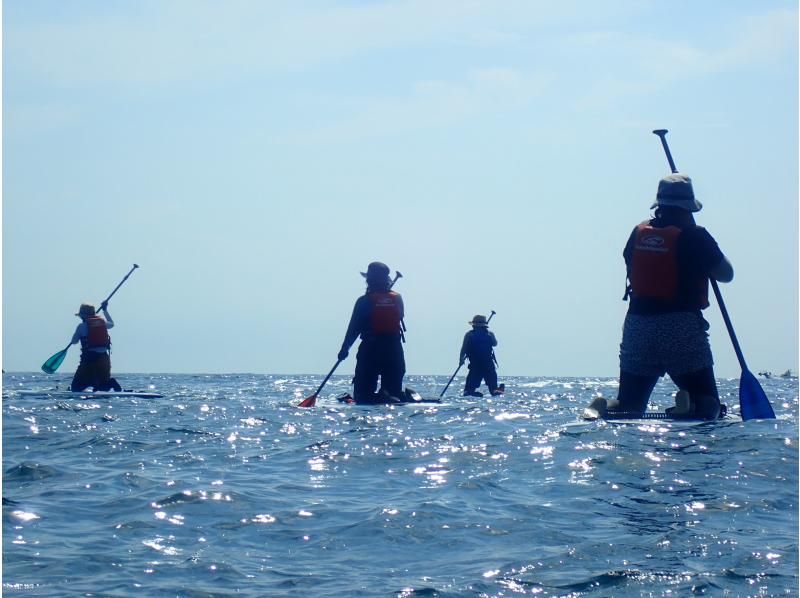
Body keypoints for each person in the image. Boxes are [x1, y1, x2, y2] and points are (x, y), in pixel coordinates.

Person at [605, 173, 733, 420]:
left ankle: (610, 406)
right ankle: (693, 404)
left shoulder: (638, 232)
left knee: (630, 403)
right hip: (680, 326)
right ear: (688, 206)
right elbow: (726, 274)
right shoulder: (695, 235)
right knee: (708, 401)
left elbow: (629, 261)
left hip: (638, 327)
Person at [338, 262, 406, 404]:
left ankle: (376, 397)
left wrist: (345, 349)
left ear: (369, 281)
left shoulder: (364, 301)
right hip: (394, 350)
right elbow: (400, 316)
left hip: (371, 350)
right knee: (394, 394)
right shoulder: (397, 298)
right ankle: (387, 396)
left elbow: (353, 328)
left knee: (362, 397)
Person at [70, 302, 122, 392]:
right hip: (104, 359)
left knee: (75, 387)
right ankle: (109, 383)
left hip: (88, 360)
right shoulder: (103, 324)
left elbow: (74, 342)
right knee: (103, 386)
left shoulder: (81, 326)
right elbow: (112, 324)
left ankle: (93, 383)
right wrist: (105, 310)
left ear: (83, 316)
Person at [460, 315, 503, 397]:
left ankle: (470, 392)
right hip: (487, 364)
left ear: (473, 325)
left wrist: (461, 359)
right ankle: (496, 390)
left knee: (469, 388)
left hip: (475, 364)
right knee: (493, 388)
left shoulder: (469, 335)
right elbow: (495, 344)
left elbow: (464, 348)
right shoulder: (490, 334)